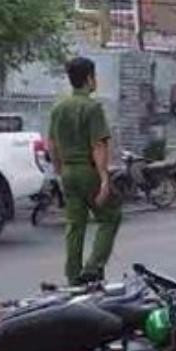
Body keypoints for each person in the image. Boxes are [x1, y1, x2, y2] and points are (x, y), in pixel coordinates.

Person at [48, 57, 121, 286]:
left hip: (68, 172)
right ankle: (93, 267)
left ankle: (73, 275)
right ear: (89, 79)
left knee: (75, 224)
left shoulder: (59, 107)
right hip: (87, 171)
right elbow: (98, 145)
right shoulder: (92, 107)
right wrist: (104, 179)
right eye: (95, 76)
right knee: (110, 216)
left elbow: (51, 143)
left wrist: (59, 169)